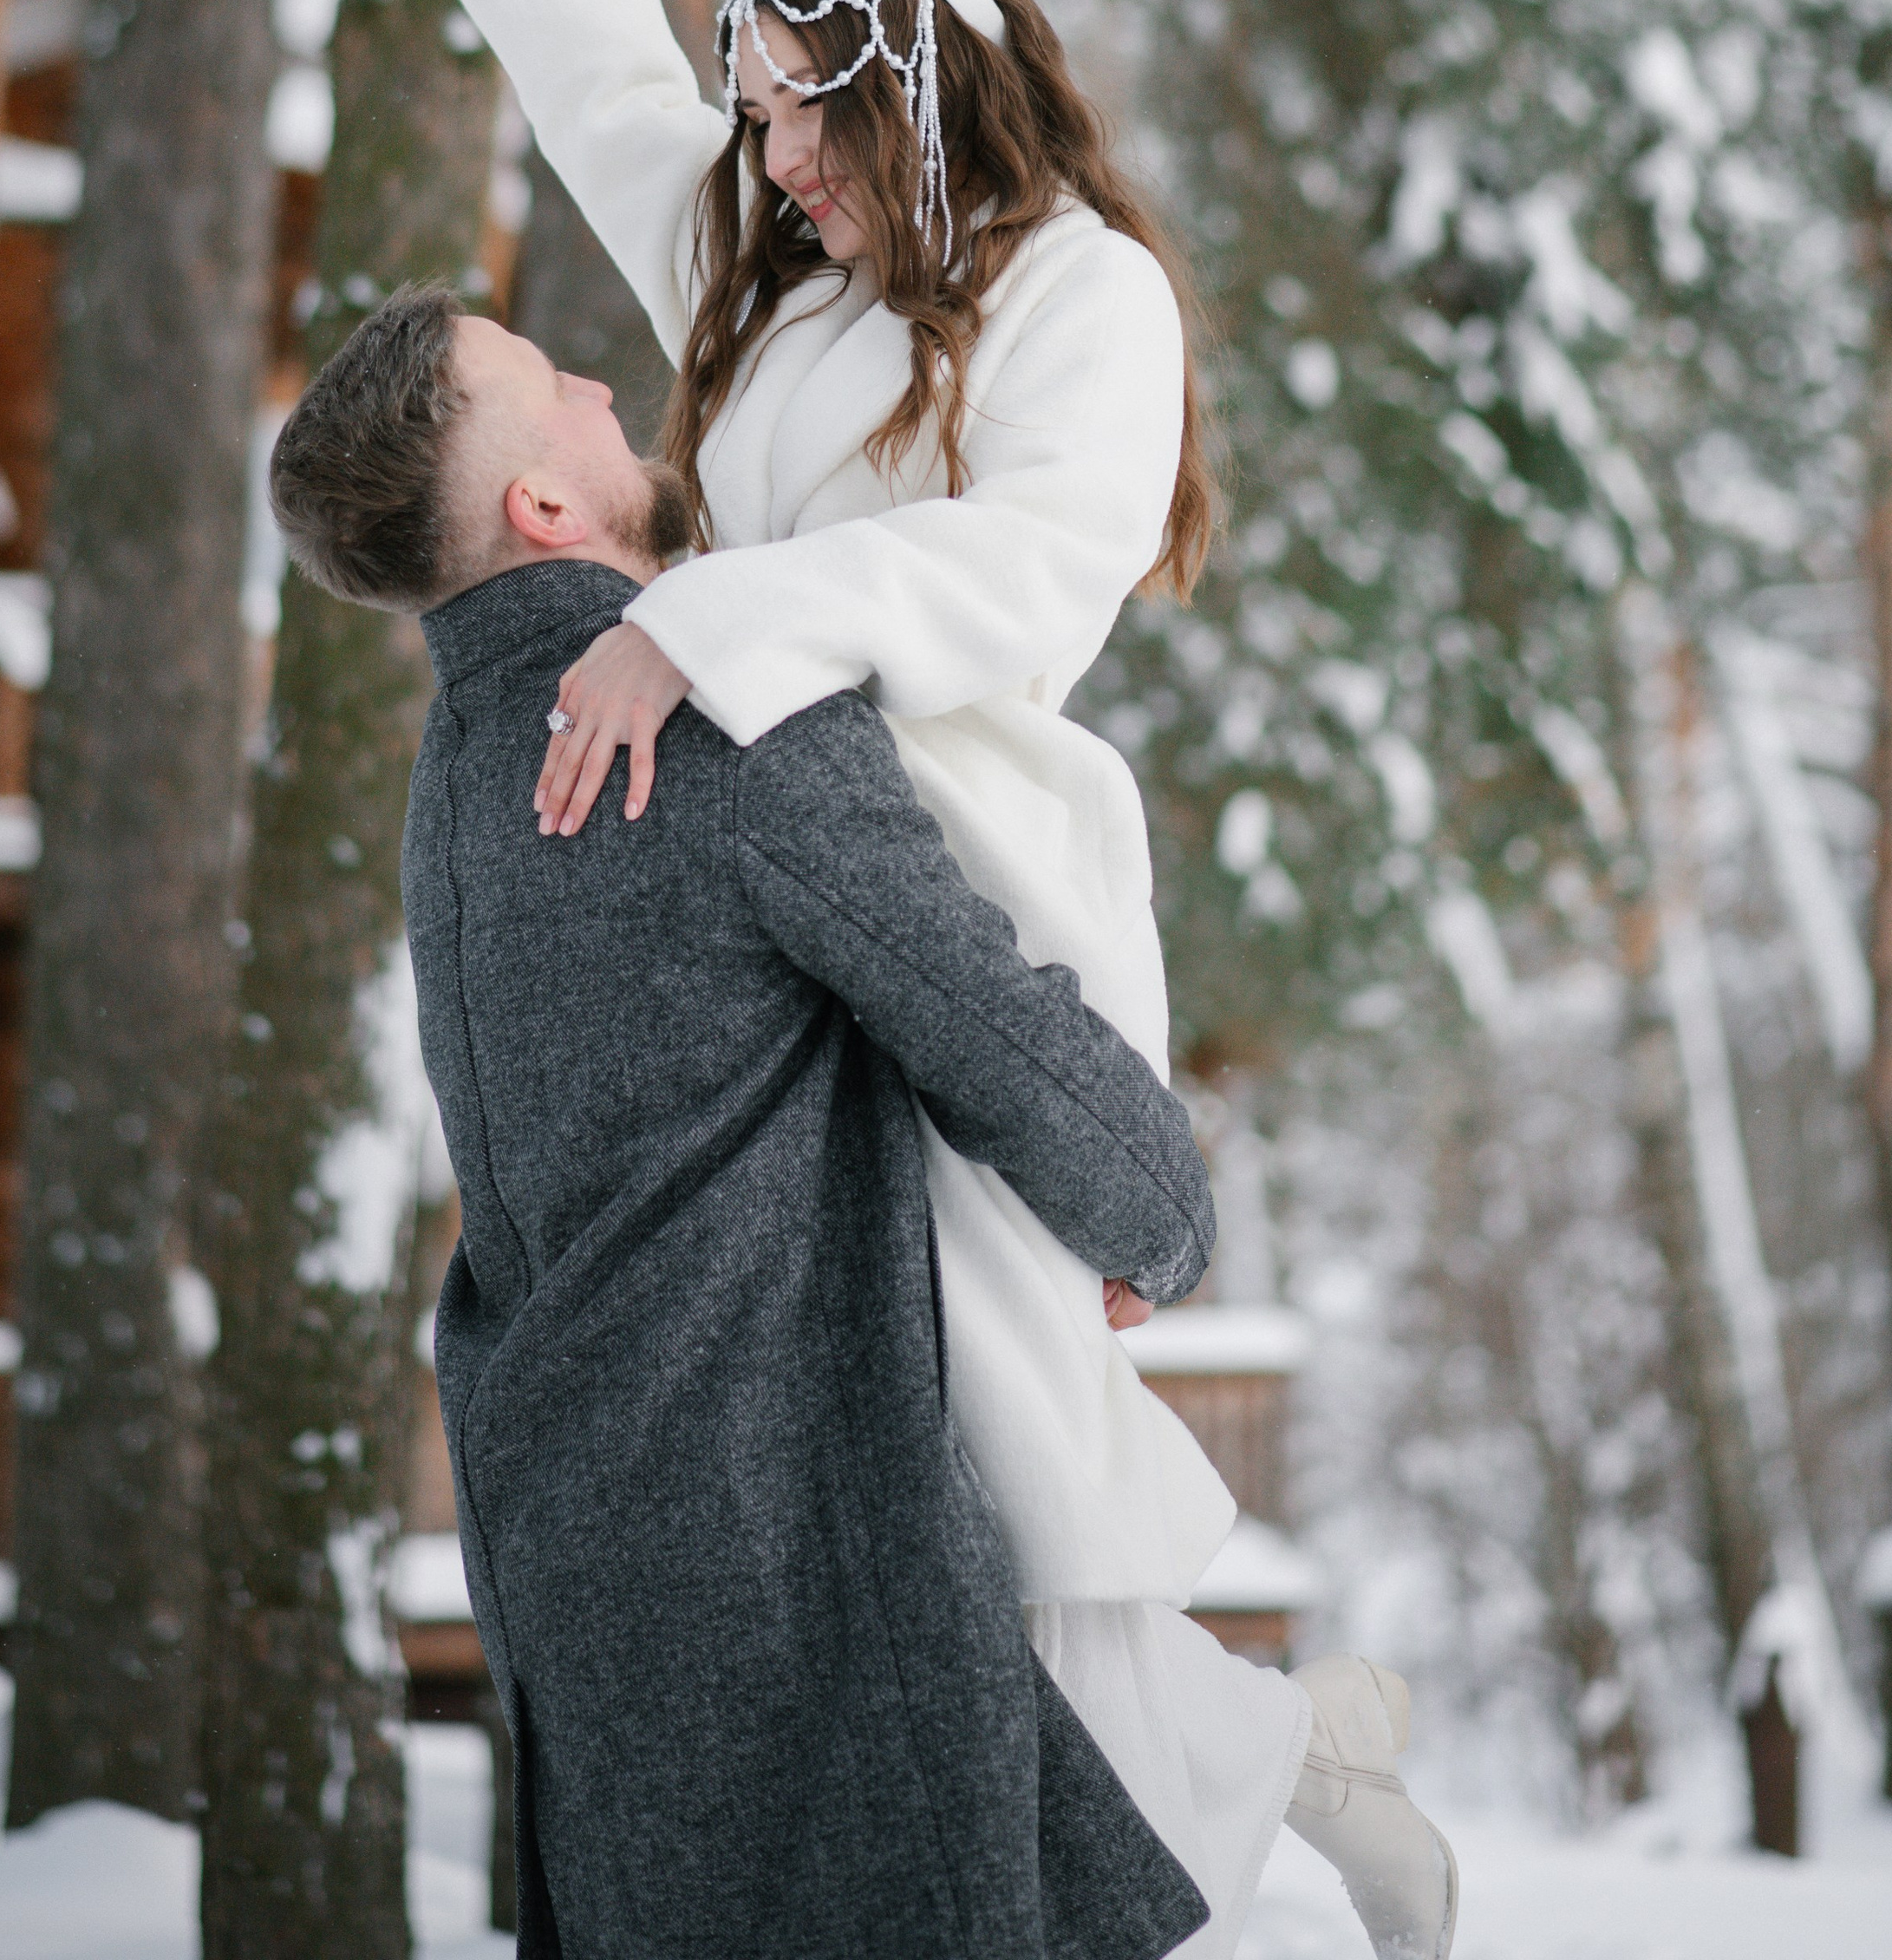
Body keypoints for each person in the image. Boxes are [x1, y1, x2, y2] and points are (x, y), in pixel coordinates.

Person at [423, 0, 1457, 1960]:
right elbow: (598, 84)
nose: (773, 164)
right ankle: (1254, 1761)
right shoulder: (783, 295)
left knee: (987, 1429)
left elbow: (1031, 564)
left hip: (973, 875)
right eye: (760, 121)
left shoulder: (1087, 290)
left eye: (809, 115)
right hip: (782, 903)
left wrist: (713, 625)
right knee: (903, 1459)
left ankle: (1262, 1772)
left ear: (920, 85)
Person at [267, 282, 1218, 1960]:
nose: (590, 378)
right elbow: (984, 1019)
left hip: (583, 1558)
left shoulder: (466, 756)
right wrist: (1163, 1212)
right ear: (540, 508)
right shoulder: (713, 717)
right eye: (543, 383)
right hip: (785, 1563)